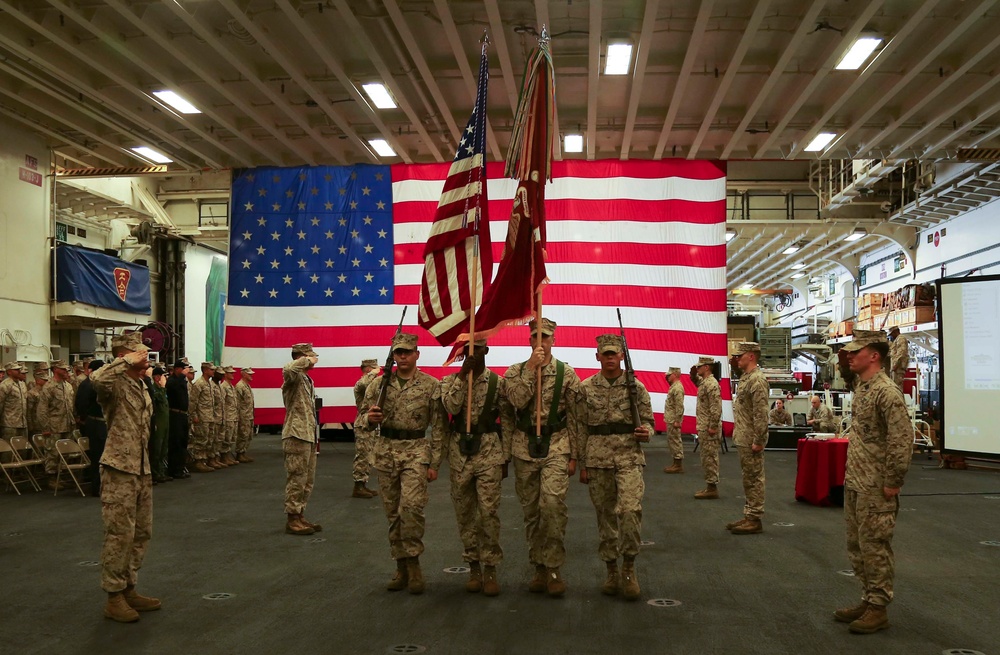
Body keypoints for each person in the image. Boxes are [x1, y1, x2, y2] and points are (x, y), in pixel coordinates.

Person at [834, 330, 914, 634]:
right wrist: (845, 360)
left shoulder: (886, 391)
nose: (850, 355)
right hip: (857, 480)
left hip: (877, 485)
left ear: (875, 355)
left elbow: (901, 439)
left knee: (875, 546)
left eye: (856, 351)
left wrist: (893, 480)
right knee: (857, 546)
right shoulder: (863, 387)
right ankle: (868, 598)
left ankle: (879, 607)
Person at [502, 317, 583, 598]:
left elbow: (575, 416)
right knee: (531, 512)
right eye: (536, 336)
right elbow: (515, 401)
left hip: (557, 446)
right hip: (524, 447)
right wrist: (531, 369)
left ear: (554, 340)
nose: (541, 341)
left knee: (552, 505)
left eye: (545, 337)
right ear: (529, 340)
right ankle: (537, 565)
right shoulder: (514, 372)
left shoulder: (567, 374)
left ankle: (553, 567)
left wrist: (576, 456)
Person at [363, 333, 446, 594]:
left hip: (416, 452)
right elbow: (361, 421)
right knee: (392, 513)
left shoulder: (431, 385)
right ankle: (400, 566)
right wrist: (370, 419)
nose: (402, 357)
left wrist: (435, 463)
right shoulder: (379, 386)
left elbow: (440, 427)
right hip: (386, 451)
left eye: (407, 352)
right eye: (398, 352)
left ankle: (414, 563)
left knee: (411, 508)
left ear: (417, 354)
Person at [578, 334, 653, 600]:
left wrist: (647, 432)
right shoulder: (585, 388)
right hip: (597, 460)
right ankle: (611, 569)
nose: (610, 358)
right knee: (606, 517)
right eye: (605, 354)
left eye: (614, 354)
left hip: (629, 458)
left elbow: (649, 421)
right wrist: (582, 464)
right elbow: (580, 428)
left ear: (622, 356)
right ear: (597, 356)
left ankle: (629, 568)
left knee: (630, 511)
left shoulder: (636, 388)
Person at [92, 332, 159, 623]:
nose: (146, 359)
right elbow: (96, 379)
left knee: (142, 532)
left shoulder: (141, 384)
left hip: (141, 467)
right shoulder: (114, 384)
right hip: (119, 467)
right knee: (119, 534)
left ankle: (129, 587)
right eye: (140, 355)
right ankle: (114, 596)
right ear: (126, 356)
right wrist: (122, 361)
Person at [440, 340, 507, 597]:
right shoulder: (450, 382)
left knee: (488, 512)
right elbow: (452, 407)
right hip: (459, 453)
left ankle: (490, 566)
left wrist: (507, 456)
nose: (472, 354)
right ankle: (473, 566)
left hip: (489, 450)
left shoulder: (498, 383)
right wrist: (462, 374)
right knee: (465, 512)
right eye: (467, 349)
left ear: (486, 350)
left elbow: (508, 421)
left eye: (477, 349)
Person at [727, 342, 770, 535]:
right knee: (748, 478)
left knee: (754, 478)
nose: (737, 359)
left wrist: (759, 440)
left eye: (740, 355)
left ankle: (755, 518)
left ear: (751, 356)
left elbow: (761, 414)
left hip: (751, 437)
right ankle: (749, 514)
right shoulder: (747, 378)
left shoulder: (757, 380)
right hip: (744, 436)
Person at [282, 343, 323, 536]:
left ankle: (299, 514)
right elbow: (289, 368)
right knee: (297, 478)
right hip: (296, 434)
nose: (314, 360)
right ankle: (292, 518)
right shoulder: (293, 376)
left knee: (307, 479)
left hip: (307, 434)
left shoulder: (306, 380)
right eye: (310, 357)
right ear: (301, 357)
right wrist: (306, 360)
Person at [37, 360, 77, 480]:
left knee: (66, 452)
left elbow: (71, 405)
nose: (66, 371)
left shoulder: (68, 386)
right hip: (54, 426)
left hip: (68, 424)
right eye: (63, 369)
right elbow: (42, 409)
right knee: (52, 453)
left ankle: (62, 476)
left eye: (66, 369)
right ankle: (51, 478)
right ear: (55, 369)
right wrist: (45, 427)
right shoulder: (49, 387)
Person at [691, 356, 722, 500]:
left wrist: (713, 426)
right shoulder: (705, 382)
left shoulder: (712, 384)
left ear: (707, 367)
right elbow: (697, 382)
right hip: (704, 426)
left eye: (699, 367)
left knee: (710, 457)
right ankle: (710, 485)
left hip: (709, 427)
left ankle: (712, 488)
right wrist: (692, 375)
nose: (698, 369)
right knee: (706, 457)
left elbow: (716, 407)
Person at [76, 359, 106, 496]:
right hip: (95, 422)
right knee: (97, 456)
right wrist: (84, 419)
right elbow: (81, 403)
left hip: (100, 422)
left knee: (102, 456)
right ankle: (96, 487)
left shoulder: (97, 383)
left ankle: (102, 485)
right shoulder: (87, 384)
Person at [351, 358, 380, 498]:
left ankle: (364, 483)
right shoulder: (362, 383)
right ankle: (358, 485)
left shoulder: (372, 384)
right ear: (368, 369)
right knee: (363, 456)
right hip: (363, 423)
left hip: (372, 424)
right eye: (374, 369)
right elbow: (364, 383)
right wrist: (373, 373)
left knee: (370, 456)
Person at [188, 363, 217, 473]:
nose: (213, 372)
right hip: (201, 417)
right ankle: (198, 461)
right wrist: (194, 415)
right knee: (201, 439)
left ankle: (204, 460)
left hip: (209, 416)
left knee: (208, 439)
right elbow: (193, 401)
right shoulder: (199, 384)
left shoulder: (208, 384)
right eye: (211, 370)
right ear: (205, 370)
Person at [165, 360, 191, 479]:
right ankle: (173, 469)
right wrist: (181, 376)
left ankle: (180, 467)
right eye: (182, 369)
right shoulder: (172, 380)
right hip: (175, 414)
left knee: (183, 442)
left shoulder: (182, 381)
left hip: (183, 414)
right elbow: (171, 388)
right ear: (176, 369)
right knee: (175, 442)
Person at [148, 367, 171, 483]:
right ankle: (155, 473)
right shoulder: (154, 389)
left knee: (163, 449)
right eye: (163, 376)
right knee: (156, 449)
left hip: (165, 421)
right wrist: (162, 387)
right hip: (158, 422)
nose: (165, 378)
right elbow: (158, 399)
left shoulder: (162, 389)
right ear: (157, 377)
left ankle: (161, 472)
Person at [662, 366, 685, 474]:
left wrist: (677, 420)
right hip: (671, 419)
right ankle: (675, 462)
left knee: (675, 441)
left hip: (674, 420)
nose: (667, 377)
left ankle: (678, 464)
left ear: (675, 375)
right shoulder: (674, 387)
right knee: (672, 441)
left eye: (669, 375)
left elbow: (679, 406)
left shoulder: (677, 388)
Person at [0, 361, 28, 439]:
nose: (19, 371)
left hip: (23, 424)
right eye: (16, 370)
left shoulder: (22, 384)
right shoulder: (4, 385)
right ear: (9, 372)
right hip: (9, 425)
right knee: (9, 449)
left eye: (19, 369)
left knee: (23, 449)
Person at [234, 367, 256, 463]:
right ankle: (239, 453)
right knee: (243, 435)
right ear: (243, 374)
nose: (251, 375)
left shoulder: (246, 386)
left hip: (249, 415)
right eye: (249, 374)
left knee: (248, 435)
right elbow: (237, 403)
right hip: (243, 415)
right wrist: (238, 416)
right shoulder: (240, 386)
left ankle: (243, 452)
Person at [220, 366, 239, 466]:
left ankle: (227, 456)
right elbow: (222, 403)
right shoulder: (224, 387)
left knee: (231, 438)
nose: (233, 374)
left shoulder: (231, 386)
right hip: (228, 416)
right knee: (226, 438)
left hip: (233, 416)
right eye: (230, 373)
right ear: (225, 374)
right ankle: (224, 457)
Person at [210, 368, 228, 468]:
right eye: (219, 374)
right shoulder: (211, 386)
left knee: (219, 439)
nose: (222, 376)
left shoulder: (220, 387)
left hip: (221, 417)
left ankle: (217, 458)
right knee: (213, 439)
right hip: (214, 417)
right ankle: (211, 459)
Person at [26, 362, 50, 439]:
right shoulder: (32, 392)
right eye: (44, 380)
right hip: (36, 424)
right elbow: (29, 411)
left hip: (46, 423)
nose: (47, 382)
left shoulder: (46, 391)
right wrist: (30, 426)